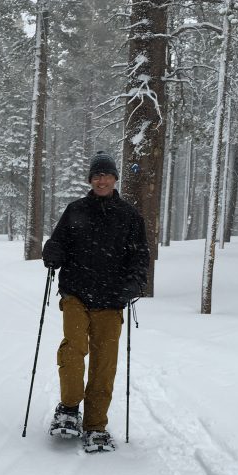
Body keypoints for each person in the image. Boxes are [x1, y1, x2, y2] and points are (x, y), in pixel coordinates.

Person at [42, 151, 149, 452]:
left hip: (112, 300)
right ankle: (68, 409)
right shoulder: (75, 210)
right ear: (90, 180)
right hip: (76, 293)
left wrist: (134, 282)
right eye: (96, 175)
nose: (102, 180)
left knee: (105, 365)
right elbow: (58, 244)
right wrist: (52, 253)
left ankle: (95, 425)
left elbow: (140, 255)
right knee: (74, 350)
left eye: (107, 175)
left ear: (115, 179)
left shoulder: (129, 216)